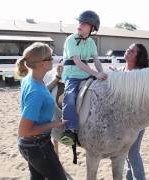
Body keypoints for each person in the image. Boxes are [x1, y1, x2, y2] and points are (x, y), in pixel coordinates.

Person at [16, 42, 67, 180]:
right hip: (36, 146)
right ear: (41, 64)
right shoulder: (35, 92)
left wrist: (57, 78)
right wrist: (54, 124)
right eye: (50, 57)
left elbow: (44, 91)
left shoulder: (31, 79)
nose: (53, 60)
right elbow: (24, 131)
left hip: (32, 145)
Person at [59, 10, 108, 146]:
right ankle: (69, 129)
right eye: (80, 22)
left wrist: (101, 74)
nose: (80, 25)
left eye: (85, 23)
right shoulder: (71, 40)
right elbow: (78, 62)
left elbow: (96, 60)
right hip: (72, 74)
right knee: (69, 96)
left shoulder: (92, 42)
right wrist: (95, 74)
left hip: (86, 74)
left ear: (92, 28)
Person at [111, 43, 149, 180]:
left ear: (138, 57)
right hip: (121, 121)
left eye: (132, 51)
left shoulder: (139, 75)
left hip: (135, 122)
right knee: (125, 154)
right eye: (128, 48)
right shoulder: (121, 70)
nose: (128, 50)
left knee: (132, 154)